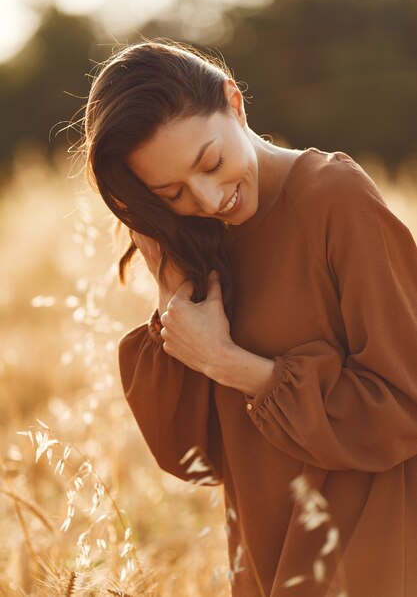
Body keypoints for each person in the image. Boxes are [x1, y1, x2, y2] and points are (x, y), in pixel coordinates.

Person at [83, 40, 417, 597]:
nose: (210, 198)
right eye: (172, 192)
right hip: (263, 554)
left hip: (371, 552)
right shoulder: (200, 249)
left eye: (211, 162)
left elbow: (406, 403)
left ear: (234, 102)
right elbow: (192, 459)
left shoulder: (336, 200)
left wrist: (232, 365)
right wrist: (166, 275)